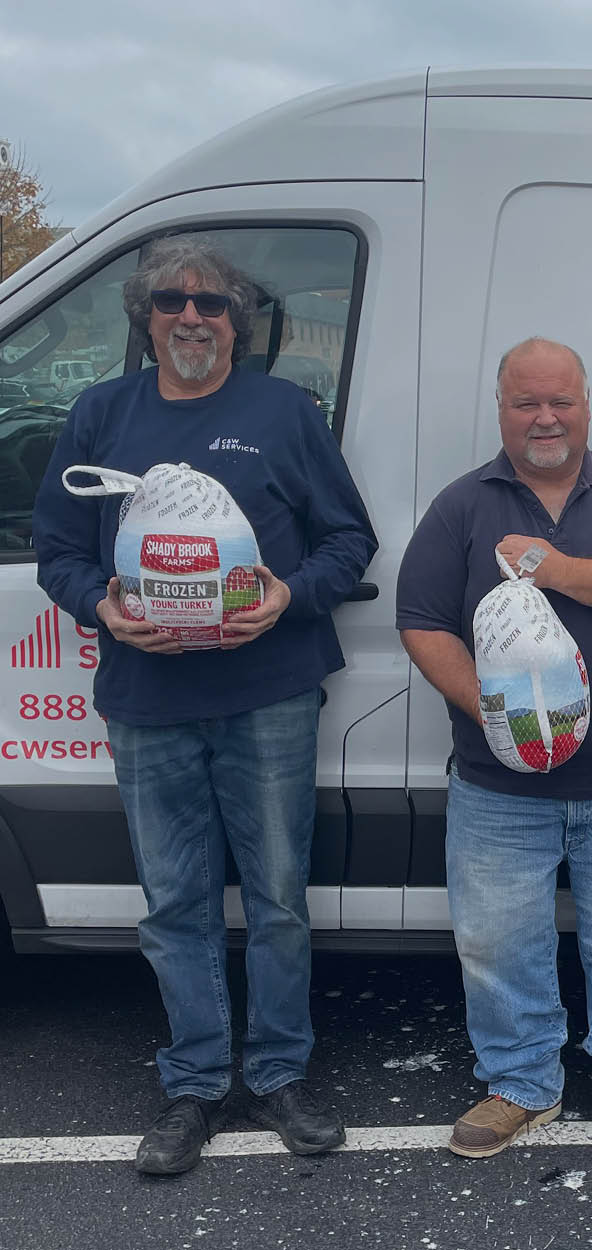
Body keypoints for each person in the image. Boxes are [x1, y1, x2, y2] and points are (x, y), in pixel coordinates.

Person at [33, 235, 377, 1175]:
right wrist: (100, 602)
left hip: (266, 695)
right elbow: (58, 544)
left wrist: (288, 597)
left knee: (277, 899)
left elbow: (350, 540)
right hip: (147, 699)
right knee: (175, 901)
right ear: (146, 321)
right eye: (174, 302)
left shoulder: (284, 412)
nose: (193, 315)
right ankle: (192, 1086)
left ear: (241, 319)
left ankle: (276, 1075)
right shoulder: (101, 415)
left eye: (213, 303)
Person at [396, 337, 592, 1167]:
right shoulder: (464, 505)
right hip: (499, 786)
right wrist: (494, 711)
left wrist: (555, 569)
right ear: (501, 409)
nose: (544, 417)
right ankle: (521, 1083)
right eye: (527, 402)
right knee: (497, 942)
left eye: (560, 400)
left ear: (586, 405)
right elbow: (421, 621)